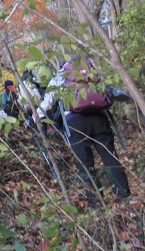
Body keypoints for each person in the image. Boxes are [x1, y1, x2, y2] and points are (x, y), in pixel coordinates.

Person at [36, 60, 130, 205]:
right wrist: (131, 98)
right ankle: (124, 197)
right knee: (111, 158)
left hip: (75, 124)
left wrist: (34, 118)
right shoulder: (91, 74)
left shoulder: (60, 78)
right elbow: (113, 92)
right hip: (100, 119)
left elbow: (47, 102)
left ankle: (96, 204)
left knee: (86, 165)